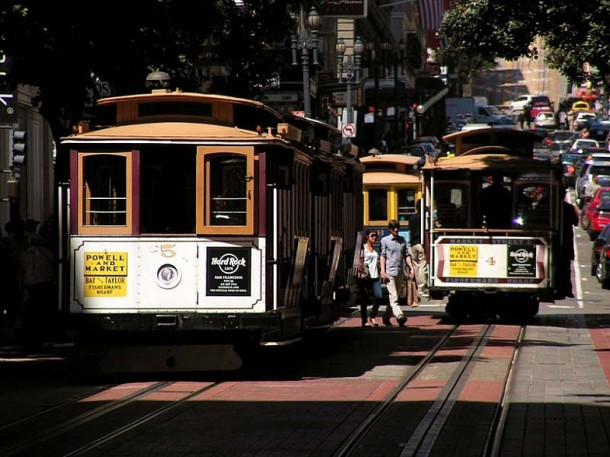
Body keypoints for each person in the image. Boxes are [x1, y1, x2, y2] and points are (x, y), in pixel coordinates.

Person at [380, 219, 414, 327]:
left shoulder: (403, 240)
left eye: (397, 228)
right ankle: (400, 316)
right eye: (394, 228)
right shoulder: (384, 240)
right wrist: (382, 271)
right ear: (390, 229)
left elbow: (407, 255)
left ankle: (386, 318)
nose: (396, 230)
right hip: (389, 273)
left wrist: (411, 267)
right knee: (394, 297)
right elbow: (383, 256)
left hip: (400, 272)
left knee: (394, 297)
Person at [356, 230, 383, 327]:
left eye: (375, 236)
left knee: (379, 296)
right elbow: (358, 260)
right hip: (365, 276)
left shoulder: (375, 249)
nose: (374, 238)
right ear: (367, 236)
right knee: (365, 297)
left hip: (375, 276)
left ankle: (372, 316)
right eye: (372, 236)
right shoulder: (362, 248)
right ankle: (364, 320)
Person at [555, 199, 578, 299]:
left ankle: (562, 288)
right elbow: (576, 222)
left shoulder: (543, 203)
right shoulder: (568, 207)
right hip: (565, 240)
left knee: (558, 265)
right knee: (565, 266)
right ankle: (565, 289)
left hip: (560, 240)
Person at [408, 200, 428, 300]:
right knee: (422, 264)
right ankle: (421, 286)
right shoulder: (424, 218)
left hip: (412, 243)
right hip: (420, 243)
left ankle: (417, 284)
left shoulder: (411, 218)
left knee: (415, 264)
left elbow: (410, 230)